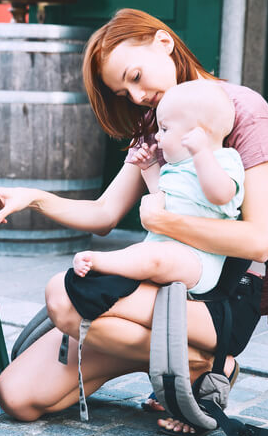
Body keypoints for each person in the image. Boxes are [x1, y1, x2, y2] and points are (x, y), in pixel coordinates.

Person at [0, 8, 268, 436]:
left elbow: (259, 241)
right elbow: (103, 214)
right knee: (17, 396)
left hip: (218, 298)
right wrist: (31, 199)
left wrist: (165, 221)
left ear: (163, 43)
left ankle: (207, 360)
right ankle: (179, 363)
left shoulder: (244, 111)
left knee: (64, 297)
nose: (134, 96)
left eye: (135, 76)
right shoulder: (158, 125)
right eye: (122, 91)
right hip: (158, 292)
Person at [72, 79, 245, 298]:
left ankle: (97, 262)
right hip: (158, 247)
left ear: (198, 133)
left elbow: (221, 195)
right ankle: (105, 273)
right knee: (141, 254)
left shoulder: (224, 159)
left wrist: (201, 154)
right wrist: (149, 167)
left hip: (197, 260)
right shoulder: (175, 168)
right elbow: (160, 197)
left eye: (164, 128)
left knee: (156, 259)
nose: (158, 135)